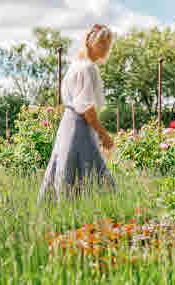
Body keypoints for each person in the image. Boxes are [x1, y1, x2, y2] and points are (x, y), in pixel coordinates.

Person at [37, 24, 116, 204]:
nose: (105, 47)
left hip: (68, 125)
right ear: (90, 42)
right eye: (102, 42)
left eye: (108, 43)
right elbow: (86, 108)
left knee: (66, 171)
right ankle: (96, 219)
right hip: (80, 126)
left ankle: (65, 217)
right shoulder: (88, 68)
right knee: (97, 177)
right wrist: (104, 135)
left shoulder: (76, 66)